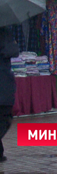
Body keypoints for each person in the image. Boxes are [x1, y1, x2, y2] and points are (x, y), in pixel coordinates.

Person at [0, 26, 19, 162]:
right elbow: (13, 50)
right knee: (5, 118)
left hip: (4, 84)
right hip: (3, 85)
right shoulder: (5, 31)